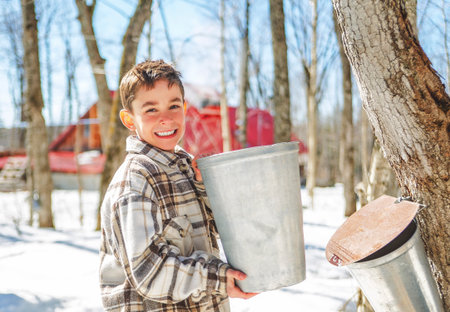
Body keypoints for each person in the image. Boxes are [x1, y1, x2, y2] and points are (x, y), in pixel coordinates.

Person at [99, 59, 257, 312]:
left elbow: (214, 231)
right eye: (151, 110)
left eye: (173, 106)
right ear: (129, 120)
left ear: (184, 108)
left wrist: (207, 190)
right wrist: (216, 278)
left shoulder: (184, 169)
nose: (166, 118)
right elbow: (148, 272)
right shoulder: (136, 181)